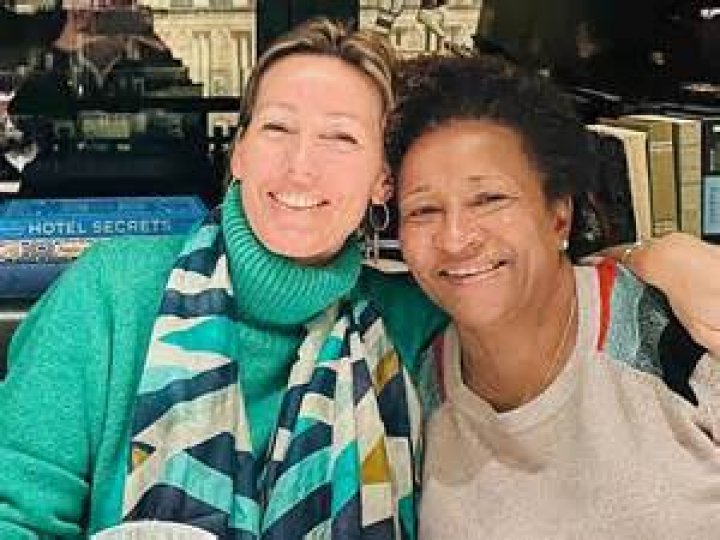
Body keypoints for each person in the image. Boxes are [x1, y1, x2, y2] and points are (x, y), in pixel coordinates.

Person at [0, 18, 717, 540]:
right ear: (239, 152)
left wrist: (658, 254)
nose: (301, 167)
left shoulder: (408, 320)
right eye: (277, 129)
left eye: (341, 137)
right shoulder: (114, 293)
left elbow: (524, 276)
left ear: (381, 182)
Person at [387, 53, 720, 539]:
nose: (455, 239)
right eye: (423, 210)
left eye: (490, 199)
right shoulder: (412, 392)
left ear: (559, 215)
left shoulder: (680, 336)